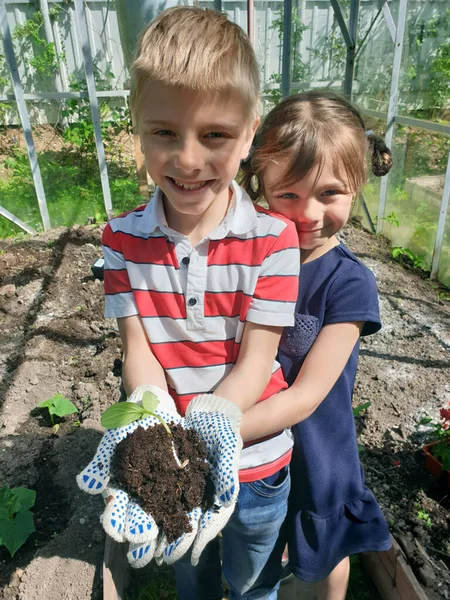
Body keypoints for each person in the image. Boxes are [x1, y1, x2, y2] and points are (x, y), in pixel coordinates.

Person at [77, 7, 300, 600]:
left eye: (216, 135)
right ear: (138, 128)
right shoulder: (121, 241)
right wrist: (152, 408)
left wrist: (212, 425)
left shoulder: (274, 241)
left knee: (252, 575)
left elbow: (257, 361)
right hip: (174, 458)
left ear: (251, 132)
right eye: (164, 132)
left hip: (256, 458)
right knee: (190, 573)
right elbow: (138, 349)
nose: (189, 159)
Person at [240, 91, 393, 600]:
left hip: (316, 447)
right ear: (261, 183)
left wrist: (214, 433)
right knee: (265, 541)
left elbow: (308, 395)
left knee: (325, 550)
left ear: (357, 187)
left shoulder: (348, 284)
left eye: (330, 193)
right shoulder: (250, 259)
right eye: (287, 194)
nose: (308, 214)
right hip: (260, 449)